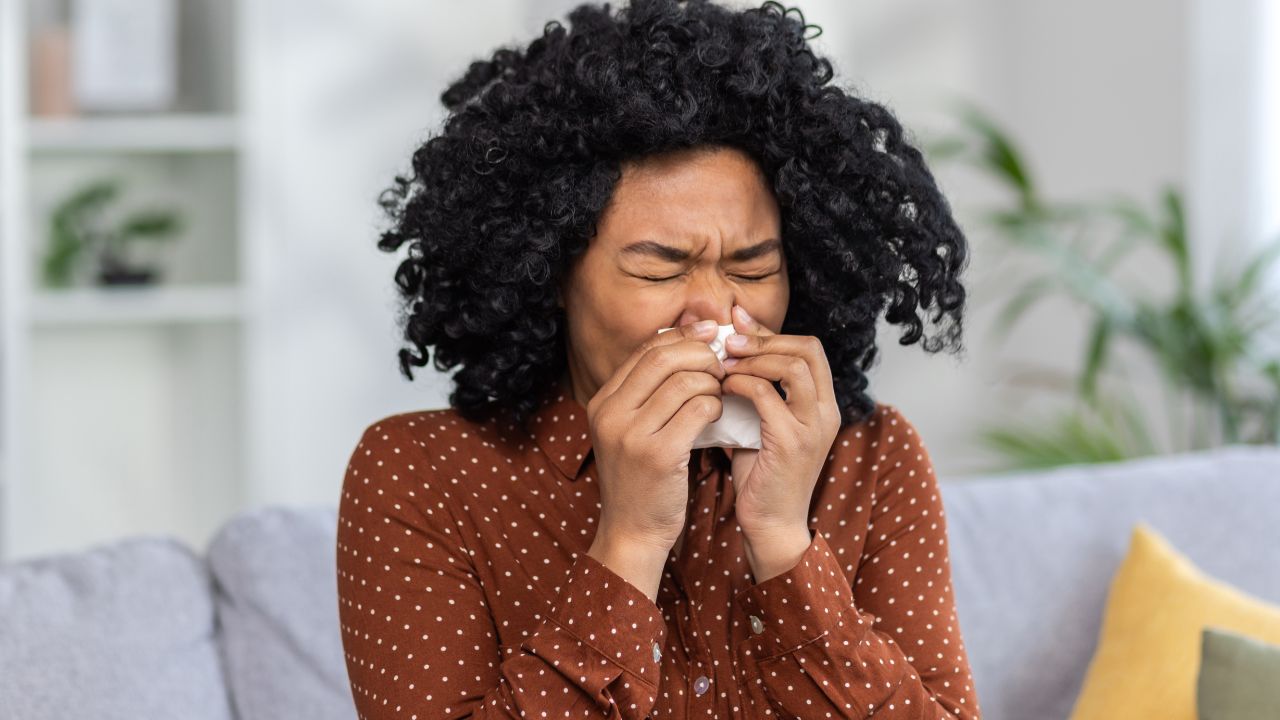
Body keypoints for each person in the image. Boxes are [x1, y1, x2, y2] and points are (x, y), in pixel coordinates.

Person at [336, 0, 981, 717]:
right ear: (551, 275)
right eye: (660, 270)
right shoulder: (420, 474)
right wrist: (631, 541)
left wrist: (785, 545)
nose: (714, 309)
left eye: (754, 267)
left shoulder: (872, 460)